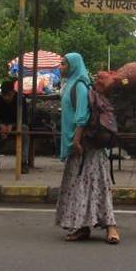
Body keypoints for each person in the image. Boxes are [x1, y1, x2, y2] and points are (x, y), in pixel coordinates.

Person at [53, 52, 120, 244]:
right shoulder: (71, 84)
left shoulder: (80, 86)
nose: (61, 67)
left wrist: (76, 142)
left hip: (86, 147)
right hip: (77, 145)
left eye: (64, 64)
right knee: (79, 187)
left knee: (98, 185)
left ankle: (111, 226)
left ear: (73, 65)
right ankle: (82, 226)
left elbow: (81, 117)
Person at [0, 80, 30, 174]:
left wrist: (12, 125)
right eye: (4, 95)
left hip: (16, 125)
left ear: (13, 92)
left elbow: (25, 118)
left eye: (8, 95)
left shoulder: (20, 100)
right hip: (0, 126)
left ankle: (23, 162)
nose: (6, 97)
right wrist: (0, 125)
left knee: (25, 129)